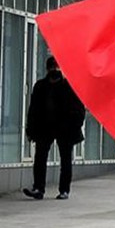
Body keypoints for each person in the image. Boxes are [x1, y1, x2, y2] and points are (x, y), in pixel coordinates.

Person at [23, 57, 85, 199]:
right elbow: (33, 110)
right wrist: (30, 129)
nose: (54, 71)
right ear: (47, 69)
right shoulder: (40, 87)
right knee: (40, 157)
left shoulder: (69, 86)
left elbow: (79, 110)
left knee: (65, 159)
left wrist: (74, 125)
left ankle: (64, 190)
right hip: (45, 127)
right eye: (52, 68)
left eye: (56, 68)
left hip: (65, 128)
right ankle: (38, 188)